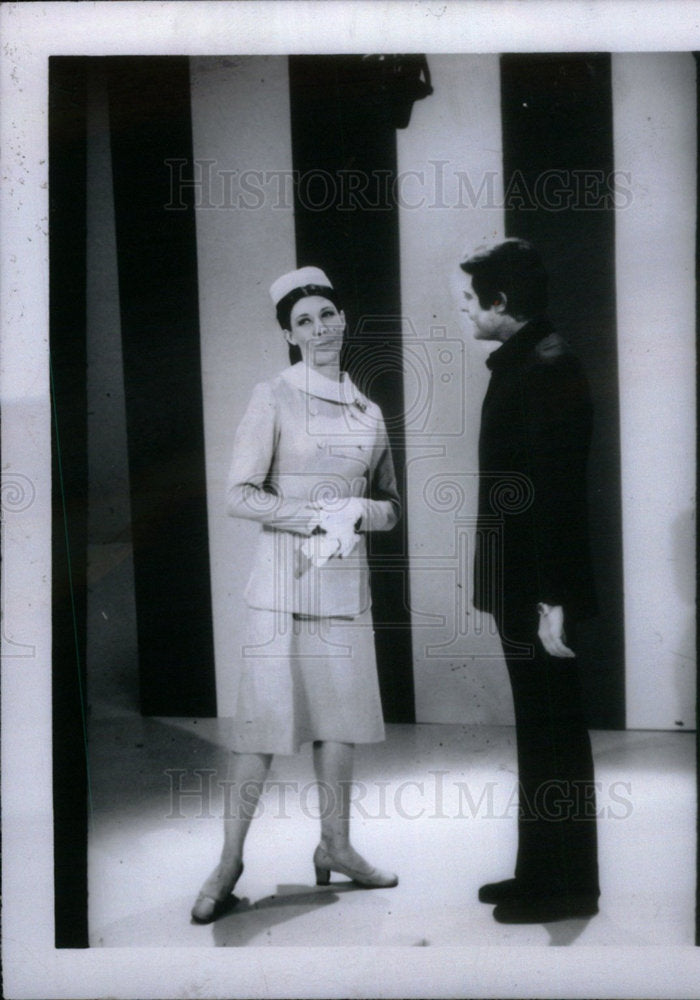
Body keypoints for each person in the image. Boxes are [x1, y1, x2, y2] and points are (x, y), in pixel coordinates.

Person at [191, 266, 400, 924]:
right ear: (288, 333)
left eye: (327, 315)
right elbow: (238, 494)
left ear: (342, 321)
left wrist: (355, 514)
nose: (319, 328)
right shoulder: (273, 395)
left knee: (337, 726)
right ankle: (228, 861)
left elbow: (391, 505)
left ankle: (336, 846)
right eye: (303, 321)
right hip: (280, 588)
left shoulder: (370, 413)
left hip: (341, 590)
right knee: (257, 731)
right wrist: (312, 516)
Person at [457, 238, 600, 924]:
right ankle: (539, 874)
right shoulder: (528, 358)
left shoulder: (544, 365)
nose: (465, 310)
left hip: (536, 589)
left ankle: (565, 887)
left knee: (552, 732)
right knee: (540, 731)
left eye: (469, 299)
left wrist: (551, 600)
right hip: (523, 584)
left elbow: (556, 494)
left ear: (501, 301)